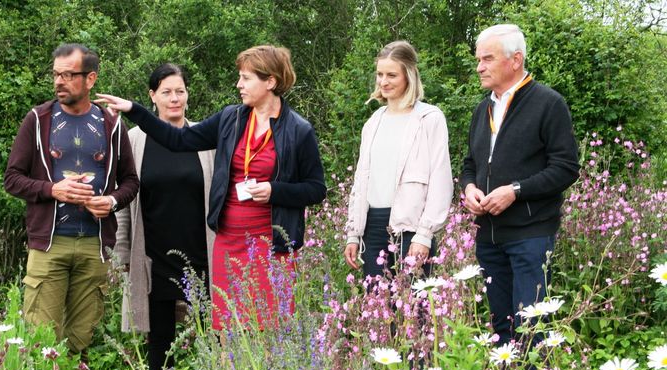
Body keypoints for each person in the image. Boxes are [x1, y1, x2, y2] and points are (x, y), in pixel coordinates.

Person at [97, 45, 326, 330]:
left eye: (246, 78)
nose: (238, 84)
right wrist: (135, 111)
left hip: (270, 244)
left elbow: (316, 189)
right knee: (227, 333)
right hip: (229, 241)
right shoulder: (232, 118)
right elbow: (178, 140)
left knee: (269, 332)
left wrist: (274, 190)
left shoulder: (298, 130)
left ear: (271, 82)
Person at [4, 43, 139, 355]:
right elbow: (12, 179)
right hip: (49, 245)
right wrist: (53, 190)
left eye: (67, 75)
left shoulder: (112, 124)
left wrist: (112, 202)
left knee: (81, 340)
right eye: (55, 74)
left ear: (90, 79)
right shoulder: (38, 121)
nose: (58, 81)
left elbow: (130, 182)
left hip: (95, 245)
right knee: (41, 340)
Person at [461, 24, 579, 348]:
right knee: (501, 324)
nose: (479, 67)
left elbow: (567, 168)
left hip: (531, 234)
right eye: (478, 59)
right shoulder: (482, 109)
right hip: (489, 235)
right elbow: (469, 163)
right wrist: (469, 188)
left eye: (487, 59)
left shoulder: (548, 104)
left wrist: (515, 190)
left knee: (531, 323)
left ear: (515, 60)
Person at [113, 64, 215, 370]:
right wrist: (122, 253)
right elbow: (123, 202)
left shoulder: (205, 139)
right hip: (154, 256)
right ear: (152, 96)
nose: (175, 99)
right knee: (160, 342)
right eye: (167, 92)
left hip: (201, 255)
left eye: (180, 91)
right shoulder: (134, 141)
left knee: (211, 336)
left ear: (188, 95)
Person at [344, 41, 452, 278]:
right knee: (377, 309)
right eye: (380, 74)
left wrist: (424, 234)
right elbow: (360, 182)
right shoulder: (373, 122)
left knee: (415, 309)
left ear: (409, 76)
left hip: (411, 227)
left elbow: (440, 181)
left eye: (391, 75)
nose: (384, 81)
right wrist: (353, 233)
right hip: (372, 227)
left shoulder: (429, 118)